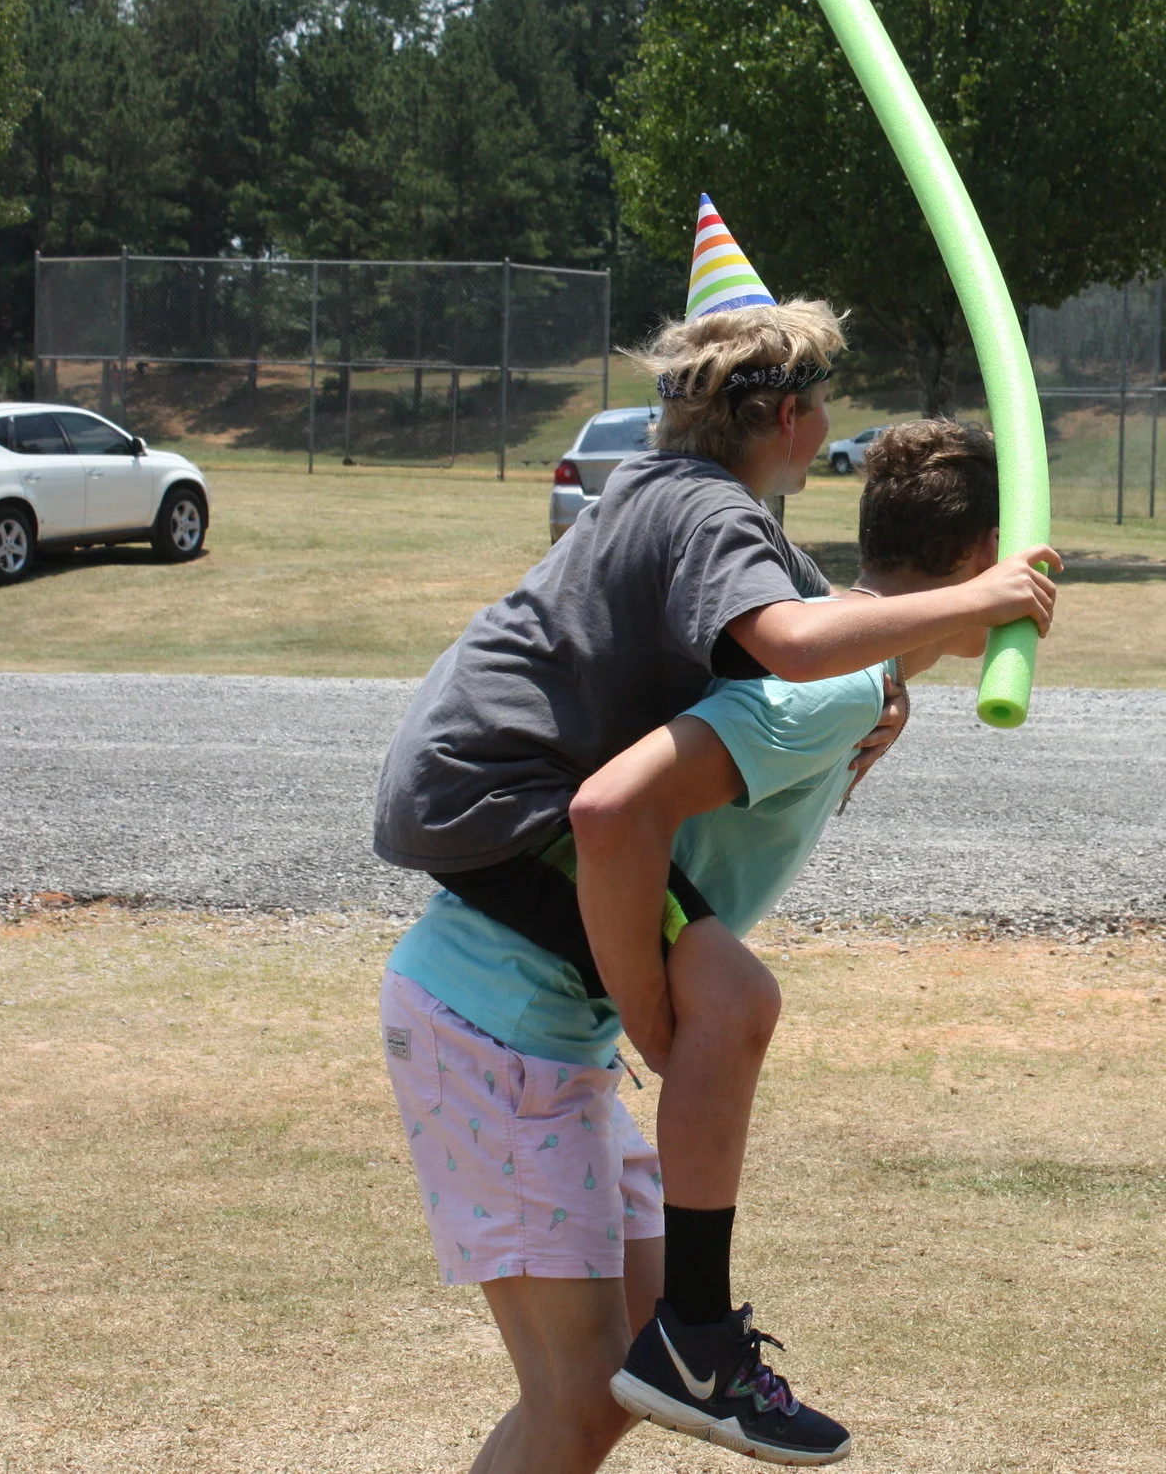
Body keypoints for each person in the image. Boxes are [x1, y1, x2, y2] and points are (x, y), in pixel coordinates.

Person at [377, 417, 1012, 1470]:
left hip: (532, 1034)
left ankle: (690, 1339)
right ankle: (700, 1335)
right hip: (492, 1023)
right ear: (986, 563)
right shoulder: (834, 682)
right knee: (579, 1401)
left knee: (602, 1394)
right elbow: (614, 812)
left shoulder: (852, 679)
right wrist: (651, 1007)